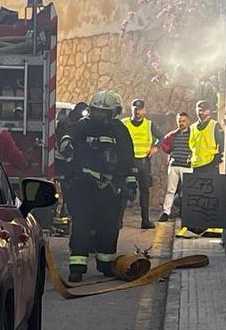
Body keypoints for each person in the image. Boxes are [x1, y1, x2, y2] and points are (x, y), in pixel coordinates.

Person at [60, 90, 135, 282]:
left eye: (103, 112)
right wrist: (66, 141)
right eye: (96, 111)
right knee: (81, 226)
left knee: (109, 227)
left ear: (113, 113)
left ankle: (106, 264)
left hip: (109, 188)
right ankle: (77, 267)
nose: (99, 115)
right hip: (83, 187)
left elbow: (127, 158)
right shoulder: (83, 126)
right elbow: (69, 135)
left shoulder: (119, 130)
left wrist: (130, 182)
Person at [121, 99, 162, 229]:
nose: (137, 111)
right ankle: (118, 221)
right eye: (135, 109)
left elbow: (162, 137)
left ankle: (145, 221)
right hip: (128, 162)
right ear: (132, 109)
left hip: (143, 162)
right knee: (124, 190)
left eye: (139, 109)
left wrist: (155, 147)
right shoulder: (124, 123)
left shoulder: (149, 124)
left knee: (144, 192)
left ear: (144, 110)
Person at [159, 112, 193, 222]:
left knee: (187, 191)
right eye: (179, 121)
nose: (181, 123)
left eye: (183, 121)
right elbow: (165, 144)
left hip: (187, 166)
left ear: (188, 121)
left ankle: (185, 212)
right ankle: (166, 212)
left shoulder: (193, 134)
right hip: (174, 165)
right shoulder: (173, 135)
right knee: (170, 190)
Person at [189, 100, 225, 174]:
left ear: (209, 111)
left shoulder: (215, 125)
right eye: (200, 110)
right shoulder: (192, 127)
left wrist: (217, 158)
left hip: (211, 164)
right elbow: (190, 145)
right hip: (196, 165)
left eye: (204, 110)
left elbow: (222, 143)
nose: (202, 113)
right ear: (196, 111)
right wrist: (189, 158)